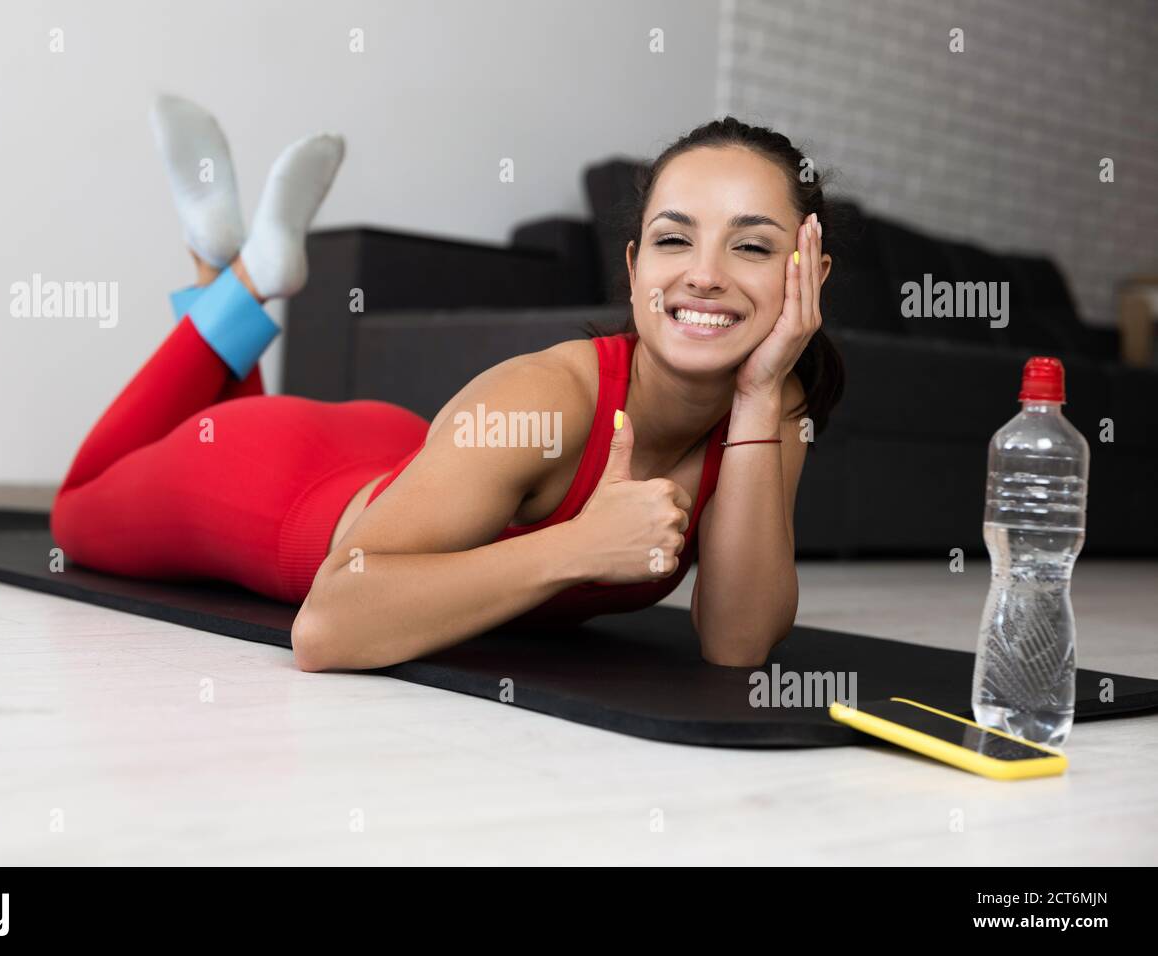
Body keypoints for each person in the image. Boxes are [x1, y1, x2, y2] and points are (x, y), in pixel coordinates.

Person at [51, 97, 844, 673]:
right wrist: (575, 547)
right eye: (675, 240)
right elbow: (326, 626)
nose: (704, 276)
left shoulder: (773, 402)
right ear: (636, 270)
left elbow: (736, 646)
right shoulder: (546, 399)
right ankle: (246, 273)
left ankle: (220, 261)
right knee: (76, 511)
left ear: (808, 277)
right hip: (274, 487)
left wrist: (759, 396)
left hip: (396, 457)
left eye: (751, 248)